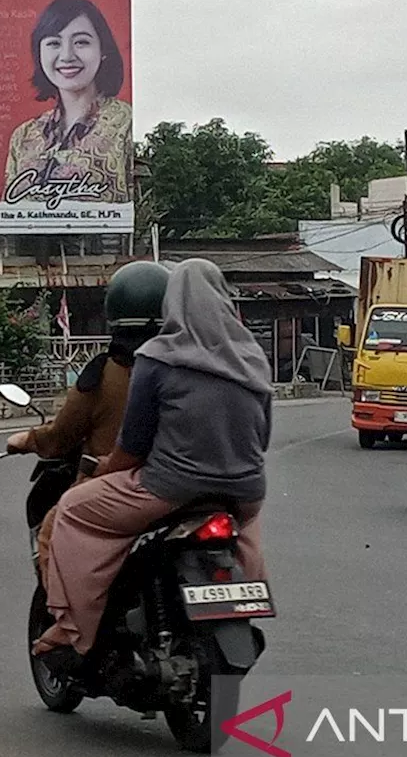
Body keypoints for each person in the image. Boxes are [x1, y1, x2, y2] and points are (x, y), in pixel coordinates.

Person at [34, 258, 274, 664]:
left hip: (169, 488)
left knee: (72, 510)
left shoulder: (157, 357)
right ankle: (244, 597)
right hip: (245, 493)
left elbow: (134, 445)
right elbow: (262, 436)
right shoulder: (251, 357)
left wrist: (104, 470)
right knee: (245, 531)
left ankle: (73, 626)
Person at [6, 260, 170, 584]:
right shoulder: (194, 367)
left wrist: (27, 440)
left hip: (122, 484)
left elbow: (63, 435)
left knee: (55, 529)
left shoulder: (107, 373)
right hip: (199, 486)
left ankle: (62, 620)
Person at [4, 0, 133, 205]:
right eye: (54, 43)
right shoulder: (23, 136)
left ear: (103, 51)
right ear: (39, 53)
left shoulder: (125, 122)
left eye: (81, 42)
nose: (66, 56)